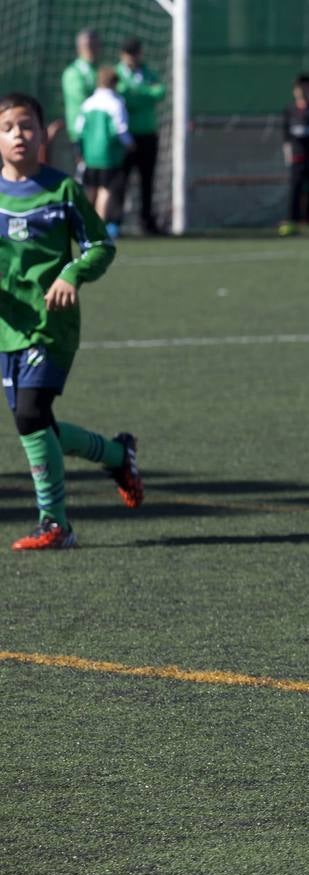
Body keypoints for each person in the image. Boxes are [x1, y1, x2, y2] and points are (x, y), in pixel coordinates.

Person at [0, 92, 144, 551]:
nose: (17, 135)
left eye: (26, 126)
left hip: (51, 324)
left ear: (44, 135)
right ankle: (119, 455)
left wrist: (71, 273)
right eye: (7, 128)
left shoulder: (61, 190)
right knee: (39, 427)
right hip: (7, 329)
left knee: (30, 415)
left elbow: (101, 246)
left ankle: (55, 525)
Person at [75, 67, 134, 240]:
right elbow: (121, 129)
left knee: (90, 190)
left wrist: (79, 150)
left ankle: (86, 225)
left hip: (89, 155)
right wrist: (130, 145)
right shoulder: (116, 103)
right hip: (109, 156)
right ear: (114, 83)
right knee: (105, 190)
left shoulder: (88, 103)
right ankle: (99, 228)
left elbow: (79, 129)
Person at [116, 37, 167, 235]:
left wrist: (138, 94)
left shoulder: (146, 72)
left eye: (136, 53)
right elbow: (123, 96)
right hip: (126, 137)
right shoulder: (117, 74)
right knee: (122, 180)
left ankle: (147, 221)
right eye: (130, 53)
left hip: (148, 134)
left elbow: (160, 92)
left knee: (148, 180)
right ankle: (116, 221)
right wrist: (144, 96)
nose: (134, 57)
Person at [279, 73, 309, 238]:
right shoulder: (289, 110)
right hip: (296, 157)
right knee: (295, 189)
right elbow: (286, 134)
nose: (304, 92)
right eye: (300, 88)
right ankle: (291, 222)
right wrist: (287, 151)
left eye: (307, 88)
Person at [61, 29, 101, 148]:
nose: (92, 49)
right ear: (79, 48)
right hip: (81, 133)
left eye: (95, 45)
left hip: (100, 132)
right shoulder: (73, 72)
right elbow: (81, 100)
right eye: (88, 46)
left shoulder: (99, 70)